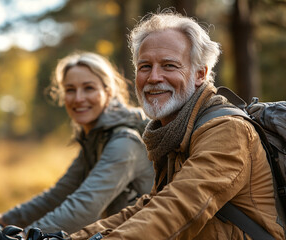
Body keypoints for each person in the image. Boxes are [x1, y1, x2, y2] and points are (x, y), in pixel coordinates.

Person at [69, 10, 285, 239]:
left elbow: (177, 209)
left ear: (200, 74)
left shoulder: (227, 130)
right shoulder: (175, 133)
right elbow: (152, 206)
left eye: (169, 66)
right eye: (145, 66)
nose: (154, 77)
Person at [0, 51, 154, 235]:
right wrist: (5, 219)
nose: (78, 98)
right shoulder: (96, 140)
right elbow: (57, 196)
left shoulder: (124, 142)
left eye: (88, 88)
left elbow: (84, 207)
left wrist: (25, 236)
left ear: (108, 91)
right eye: (70, 90)